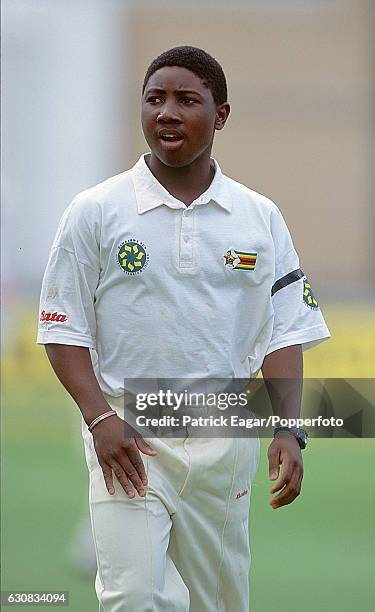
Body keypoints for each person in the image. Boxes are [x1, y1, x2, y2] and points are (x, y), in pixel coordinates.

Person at [37, 46, 330, 611]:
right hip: (130, 440)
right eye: (154, 99)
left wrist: (290, 431)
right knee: (134, 597)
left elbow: (283, 332)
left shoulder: (259, 217)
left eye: (186, 100)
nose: (166, 112)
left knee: (214, 603)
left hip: (226, 438)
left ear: (220, 115)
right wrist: (100, 418)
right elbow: (62, 329)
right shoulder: (95, 211)